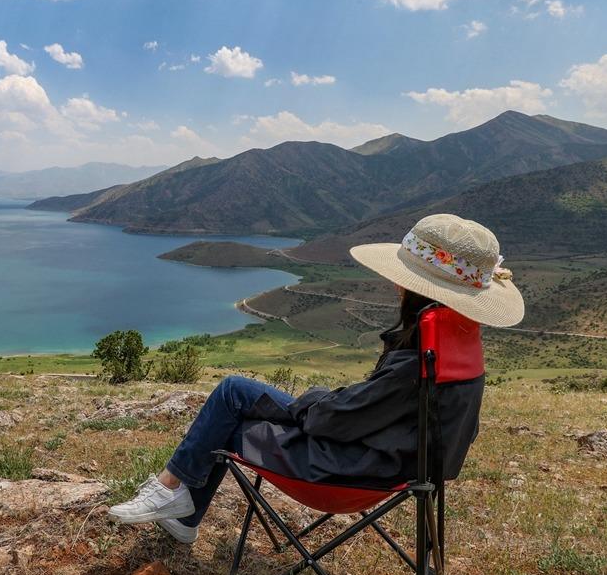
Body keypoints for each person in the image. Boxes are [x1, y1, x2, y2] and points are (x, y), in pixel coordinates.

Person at [108, 213, 525, 544]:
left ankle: (171, 493)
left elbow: (339, 420)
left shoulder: (415, 363)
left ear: (412, 287)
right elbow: (373, 413)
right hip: (393, 467)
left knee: (233, 397)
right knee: (239, 397)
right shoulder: (454, 345)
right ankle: (179, 508)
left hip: (344, 471)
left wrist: (310, 402)